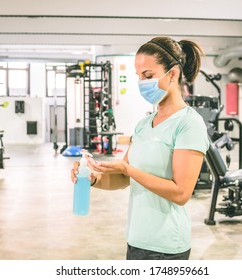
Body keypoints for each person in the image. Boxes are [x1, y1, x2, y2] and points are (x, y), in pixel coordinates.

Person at [70, 36, 209, 260]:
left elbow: (181, 193)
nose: (142, 83)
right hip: (136, 240)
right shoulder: (145, 124)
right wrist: (93, 178)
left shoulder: (188, 123)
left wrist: (127, 170)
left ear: (172, 74)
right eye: (139, 76)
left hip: (166, 248)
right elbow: (124, 179)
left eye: (148, 76)